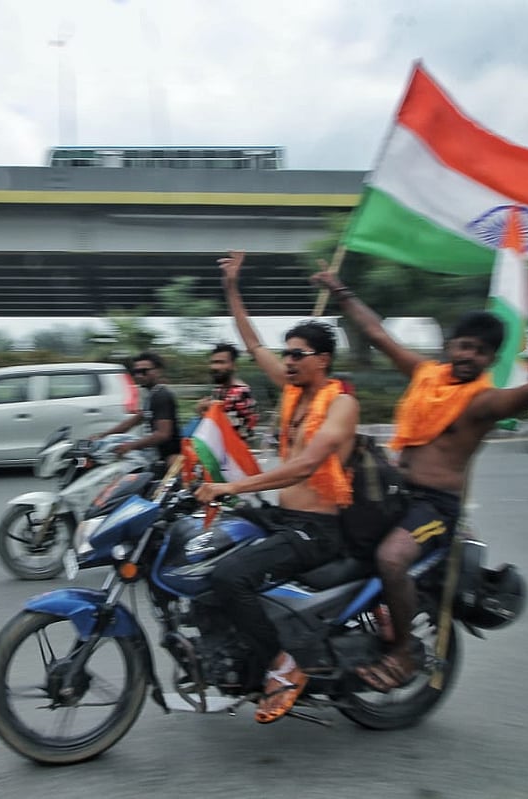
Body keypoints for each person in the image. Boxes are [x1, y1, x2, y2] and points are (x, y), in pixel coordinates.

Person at [311, 268, 528, 692]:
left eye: (479, 351)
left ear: (491, 360)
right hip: (393, 493)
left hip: (435, 507)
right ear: (449, 346)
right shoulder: (426, 377)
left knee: (391, 559)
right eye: (463, 345)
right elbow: (378, 333)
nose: (468, 355)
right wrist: (341, 290)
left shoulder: (485, 401)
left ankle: (404, 654)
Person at [194, 251, 359, 724]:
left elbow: (305, 466)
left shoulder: (341, 406)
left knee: (230, 577)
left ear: (321, 361)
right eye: (285, 353)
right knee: (201, 554)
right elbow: (250, 342)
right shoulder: (291, 391)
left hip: (317, 529)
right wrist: (231, 286)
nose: (286, 360)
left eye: (296, 354)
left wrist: (230, 487)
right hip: (283, 517)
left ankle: (284, 665)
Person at [97, 351, 182, 462]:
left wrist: (130, 446)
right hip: (152, 451)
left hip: (163, 456)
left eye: (144, 371)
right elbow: (131, 422)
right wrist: (102, 436)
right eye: (136, 372)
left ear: (158, 371)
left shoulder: (162, 396)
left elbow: (163, 434)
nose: (139, 375)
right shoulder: (151, 395)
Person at [194, 343, 259, 442]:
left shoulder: (241, 392)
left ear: (234, 366)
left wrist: (206, 413)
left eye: (221, 362)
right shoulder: (218, 391)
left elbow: (238, 431)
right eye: (213, 362)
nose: (215, 367)